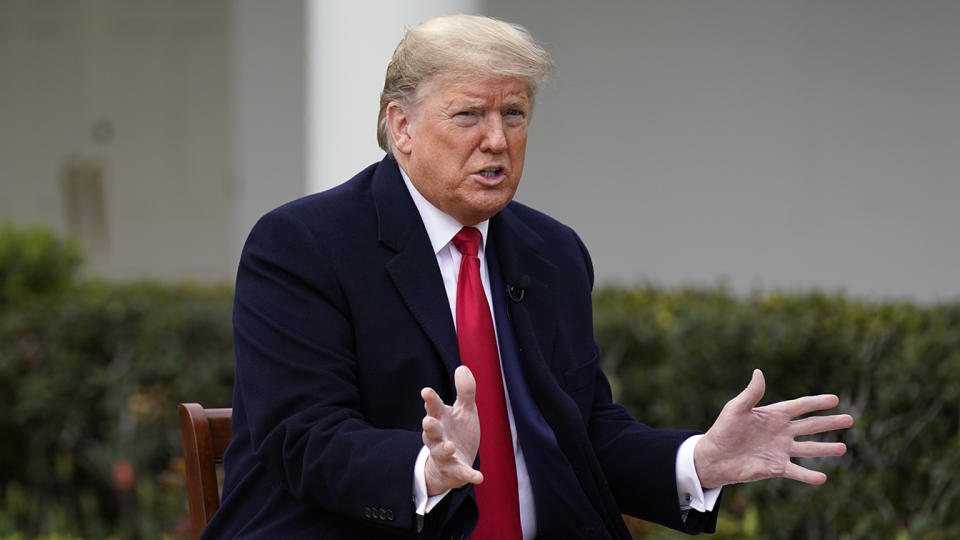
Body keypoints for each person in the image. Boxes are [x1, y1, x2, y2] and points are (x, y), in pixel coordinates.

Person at [201, 14, 853, 540]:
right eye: (469, 115)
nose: (497, 140)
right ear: (401, 126)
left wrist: (696, 462)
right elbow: (305, 436)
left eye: (513, 115)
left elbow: (588, 430)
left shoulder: (551, 252)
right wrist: (428, 467)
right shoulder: (302, 245)